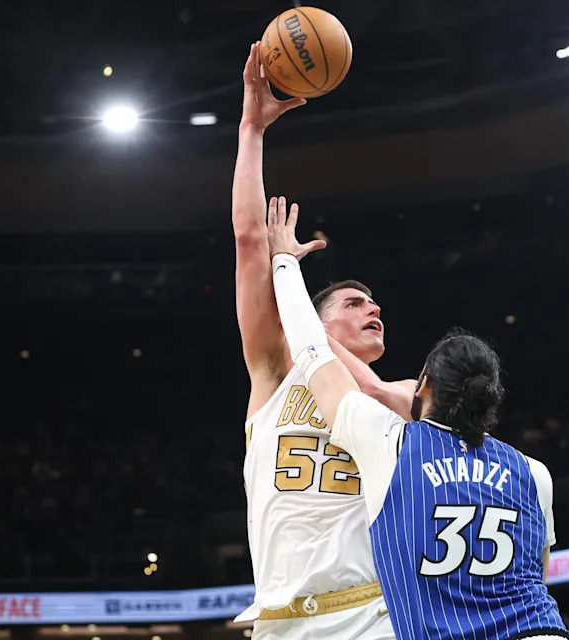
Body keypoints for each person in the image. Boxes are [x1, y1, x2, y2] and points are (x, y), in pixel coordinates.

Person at [265, 201, 569, 640]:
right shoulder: (533, 473)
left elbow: (313, 350)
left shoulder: (390, 443)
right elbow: (537, 574)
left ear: (423, 385)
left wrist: (283, 264)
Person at [231, 42, 414, 640]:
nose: (374, 308)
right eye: (355, 303)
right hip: (281, 622)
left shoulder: (396, 396)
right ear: (315, 316)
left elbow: (405, 404)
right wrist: (251, 129)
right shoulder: (272, 372)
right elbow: (250, 240)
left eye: (374, 302)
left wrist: (303, 310)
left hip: (373, 612)